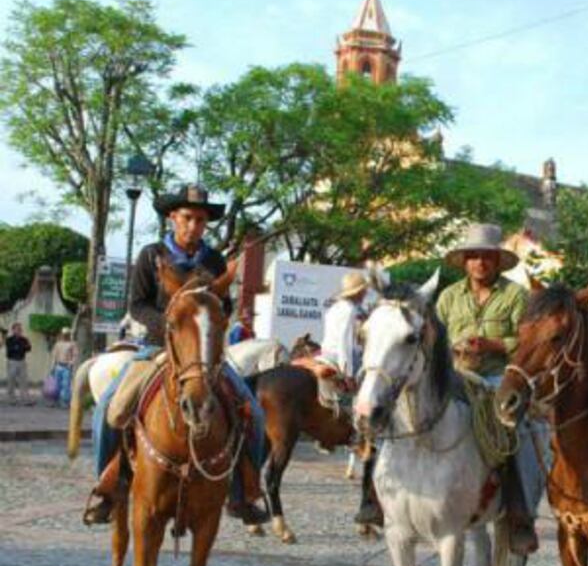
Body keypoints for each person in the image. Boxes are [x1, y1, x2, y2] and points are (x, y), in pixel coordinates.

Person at [84, 184, 269, 526]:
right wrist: (169, 326)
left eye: (200, 220)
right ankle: (107, 488)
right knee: (110, 407)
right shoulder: (151, 255)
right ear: (172, 217)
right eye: (187, 218)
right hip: (156, 347)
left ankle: (243, 493)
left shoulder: (213, 260)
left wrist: (214, 318)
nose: (193, 225)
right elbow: (137, 305)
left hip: (203, 355)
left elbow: (225, 306)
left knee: (254, 414)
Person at [436, 223, 541, 555]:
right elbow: (435, 340)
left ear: (497, 261)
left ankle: (519, 511)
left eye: (486, 256)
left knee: (510, 432)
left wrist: (493, 344)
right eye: (473, 256)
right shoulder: (448, 297)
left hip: (498, 377)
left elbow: (527, 343)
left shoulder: (515, 295)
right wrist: (453, 349)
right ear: (465, 261)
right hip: (456, 375)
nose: (480, 262)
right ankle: (383, 497)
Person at [310, 271, 383, 526]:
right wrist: (349, 373)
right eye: (363, 290)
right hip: (338, 359)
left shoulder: (336, 308)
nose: (365, 293)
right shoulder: (350, 311)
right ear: (359, 291)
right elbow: (346, 346)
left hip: (326, 354)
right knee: (366, 397)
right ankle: (358, 435)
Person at [49, 328, 77, 408]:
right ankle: (55, 401)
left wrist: (71, 363)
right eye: (63, 334)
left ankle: (64, 401)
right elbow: (54, 356)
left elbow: (75, 355)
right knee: (56, 384)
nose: (65, 335)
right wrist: (52, 366)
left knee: (66, 385)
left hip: (66, 367)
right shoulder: (58, 344)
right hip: (58, 366)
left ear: (69, 334)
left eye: (66, 334)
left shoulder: (72, 344)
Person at [5, 322, 32, 405]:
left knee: (23, 381)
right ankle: (11, 399)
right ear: (13, 330)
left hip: (22, 361)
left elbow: (28, 348)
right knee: (11, 380)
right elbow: (11, 350)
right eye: (18, 329)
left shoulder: (24, 339)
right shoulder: (9, 339)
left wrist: (25, 346)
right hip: (12, 361)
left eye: (20, 329)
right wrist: (21, 347)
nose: (20, 330)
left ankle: (25, 399)